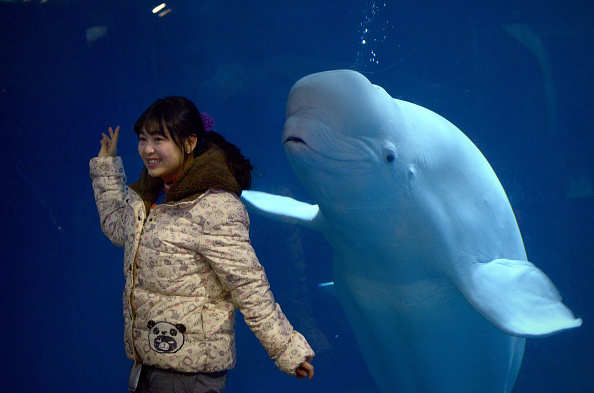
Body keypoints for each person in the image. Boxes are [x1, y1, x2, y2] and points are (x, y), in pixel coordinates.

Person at [90, 96, 314, 392]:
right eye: (143, 138)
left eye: (159, 139)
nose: (147, 149)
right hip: (149, 363)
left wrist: (287, 350)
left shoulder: (214, 207)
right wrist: (107, 168)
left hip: (190, 374)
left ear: (189, 142)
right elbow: (118, 229)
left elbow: (248, 286)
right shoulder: (150, 196)